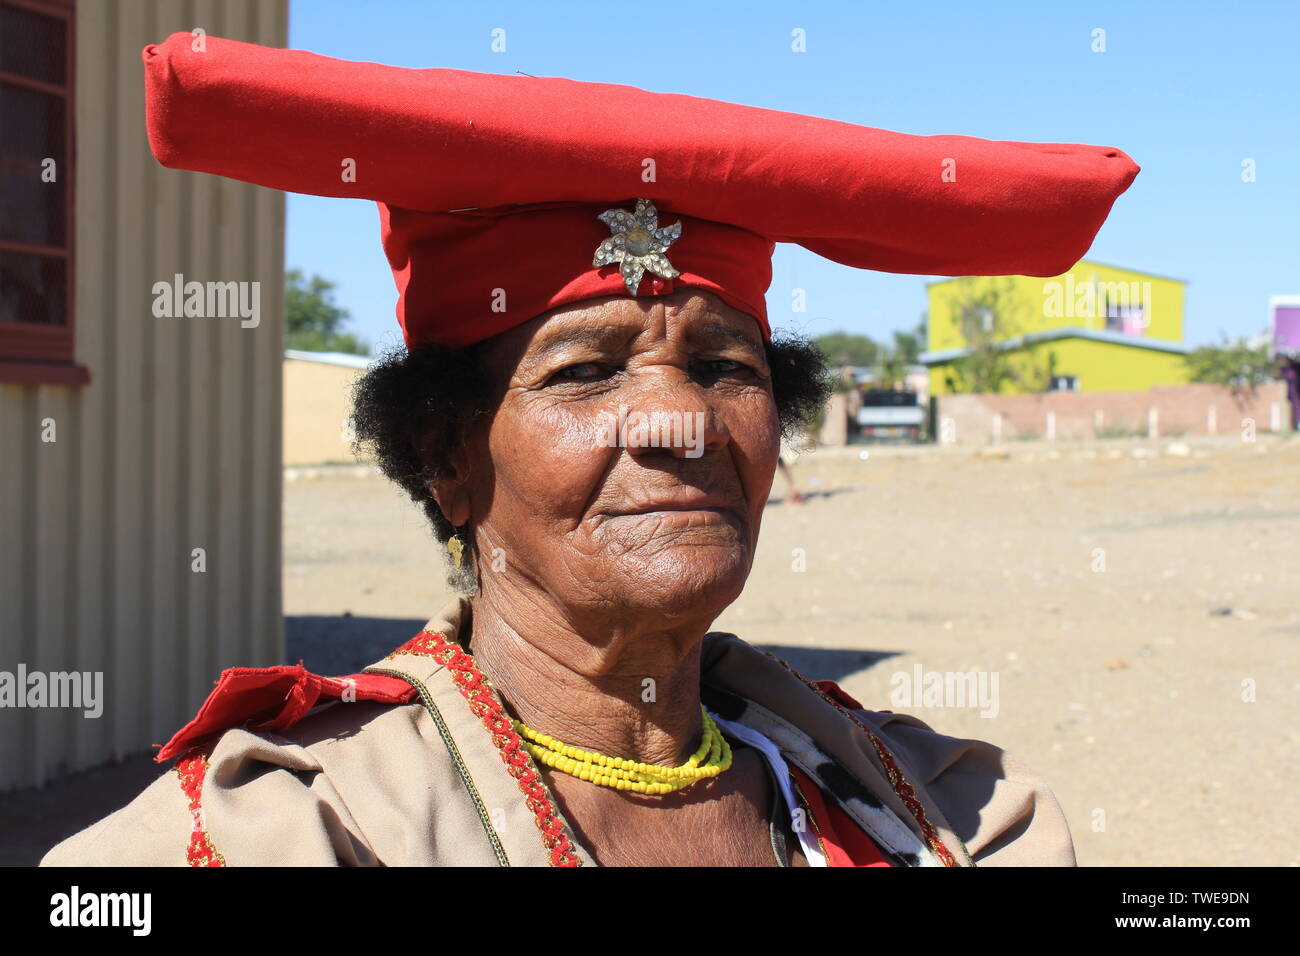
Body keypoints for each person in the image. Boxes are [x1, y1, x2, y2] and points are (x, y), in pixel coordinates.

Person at [42, 32, 1138, 867]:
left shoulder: (943, 808)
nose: (681, 424)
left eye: (724, 368)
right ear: (446, 457)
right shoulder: (280, 830)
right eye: (584, 371)